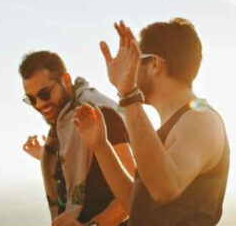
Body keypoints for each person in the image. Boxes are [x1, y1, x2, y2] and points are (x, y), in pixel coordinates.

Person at [73, 18, 229, 225]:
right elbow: (137, 206)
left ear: (154, 64)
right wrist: (101, 146)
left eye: (134, 61)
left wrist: (128, 94)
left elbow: (165, 188)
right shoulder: (170, 127)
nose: (129, 69)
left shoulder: (201, 120)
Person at [19, 51, 135, 226]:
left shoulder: (101, 115)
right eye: (32, 99)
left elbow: (134, 194)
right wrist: (44, 155)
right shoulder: (64, 125)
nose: (40, 104)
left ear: (66, 80)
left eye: (44, 94)